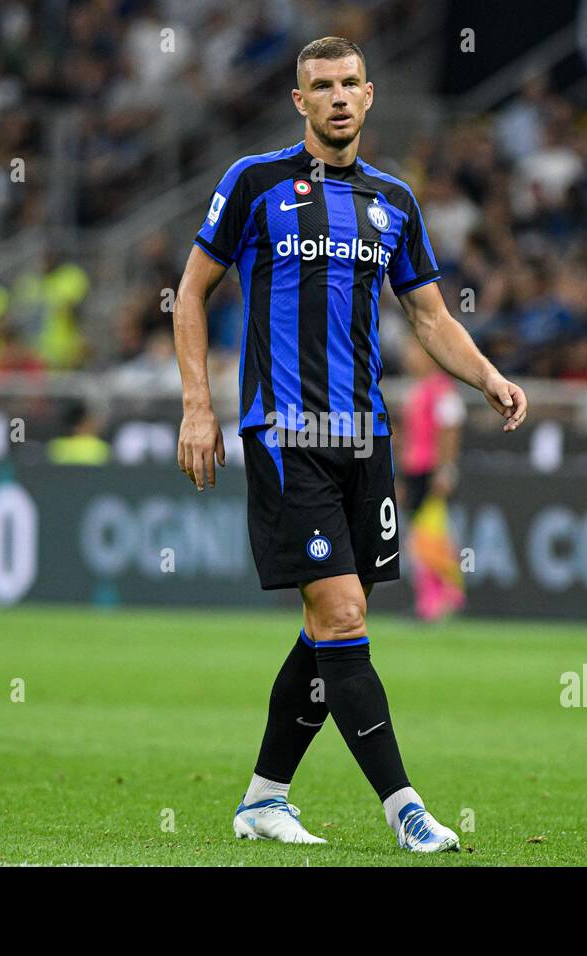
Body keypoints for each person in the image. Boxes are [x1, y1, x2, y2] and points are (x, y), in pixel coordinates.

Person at [172, 36, 527, 853]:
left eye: (348, 83)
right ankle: (405, 809)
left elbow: (429, 316)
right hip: (284, 433)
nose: (336, 96)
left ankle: (264, 798)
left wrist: (487, 378)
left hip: (364, 438)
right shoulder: (253, 183)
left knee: (332, 626)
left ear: (369, 96)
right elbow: (191, 292)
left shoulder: (393, 200)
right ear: (300, 101)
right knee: (342, 611)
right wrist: (198, 405)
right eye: (320, 85)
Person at [399, 336, 467, 623]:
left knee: (427, 538)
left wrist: (446, 469)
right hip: (414, 471)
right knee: (426, 537)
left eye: (414, 351)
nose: (409, 358)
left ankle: (437, 598)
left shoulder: (442, 390)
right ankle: (441, 596)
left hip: (429, 472)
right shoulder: (418, 389)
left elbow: (450, 428)